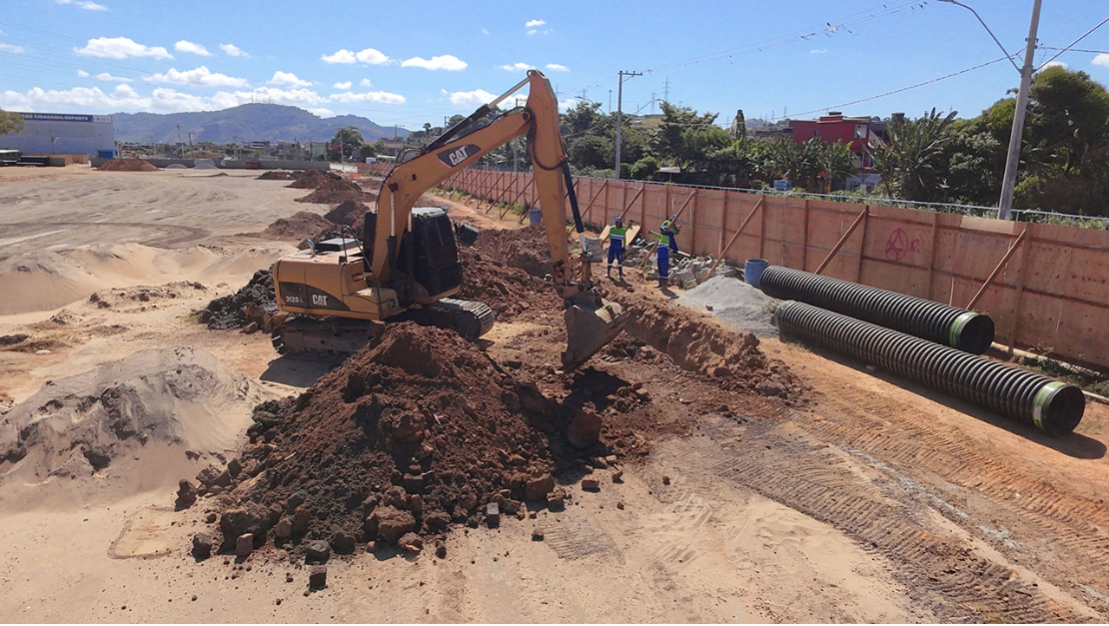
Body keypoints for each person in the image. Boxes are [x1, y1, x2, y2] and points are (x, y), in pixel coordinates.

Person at [655, 215, 680, 288]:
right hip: (660, 256)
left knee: (664, 269)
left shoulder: (665, 238)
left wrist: (678, 228)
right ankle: (660, 284)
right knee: (660, 269)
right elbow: (659, 232)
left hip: (664, 255)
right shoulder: (667, 222)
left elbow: (676, 232)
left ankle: (664, 284)